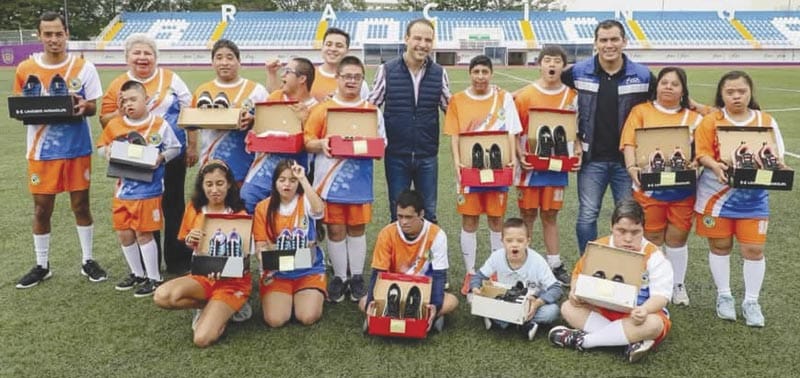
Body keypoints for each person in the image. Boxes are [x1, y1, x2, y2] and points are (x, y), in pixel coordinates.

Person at [14, 11, 108, 288]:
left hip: (77, 148)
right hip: (41, 151)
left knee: (81, 205)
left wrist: (83, 107)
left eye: (58, 33)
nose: (54, 39)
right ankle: (42, 265)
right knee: (42, 209)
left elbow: (92, 106)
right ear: (39, 35)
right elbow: (21, 106)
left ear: (66, 34)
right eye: (48, 34)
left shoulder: (84, 67)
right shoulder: (24, 68)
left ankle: (87, 260)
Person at [694, 71, 788, 327]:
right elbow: (701, 153)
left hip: (753, 198)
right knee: (720, 247)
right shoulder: (711, 121)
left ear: (750, 93)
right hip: (716, 197)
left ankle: (751, 301)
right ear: (721, 95)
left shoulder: (765, 120)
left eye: (741, 91)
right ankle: (724, 296)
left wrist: (777, 166)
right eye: (730, 92)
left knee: (754, 250)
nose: (736, 96)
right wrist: (715, 165)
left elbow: (777, 155)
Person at [100, 33, 195, 275]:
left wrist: (192, 145)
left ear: (155, 57)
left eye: (148, 53)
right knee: (141, 206)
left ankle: (178, 259)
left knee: (173, 205)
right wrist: (123, 112)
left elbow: (190, 112)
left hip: (170, 154)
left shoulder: (171, 78)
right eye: (137, 53)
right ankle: (148, 264)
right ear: (127, 57)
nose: (143, 58)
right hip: (134, 158)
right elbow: (104, 119)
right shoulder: (118, 84)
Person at [561, 19, 655, 255]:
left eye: (614, 39)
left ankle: (627, 264)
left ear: (624, 41)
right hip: (592, 159)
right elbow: (547, 86)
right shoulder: (578, 71)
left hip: (628, 161)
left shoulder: (643, 76)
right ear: (595, 43)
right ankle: (588, 262)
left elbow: (667, 101)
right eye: (603, 40)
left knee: (629, 218)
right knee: (587, 214)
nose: (609, 45)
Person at [549, 199, 673, 363]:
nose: (628, 238)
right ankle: (629, 342)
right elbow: (578, 275)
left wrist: (644, 309)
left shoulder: (655, 256)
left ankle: (585, 341)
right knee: (567, 307)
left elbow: (661, 297)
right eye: (621, 231)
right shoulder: (600, 246)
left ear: (643, 229)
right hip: (603, 309)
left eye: (635, 232)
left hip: (637, 316)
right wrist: (574, 292)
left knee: (654, 325)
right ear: (611, 227)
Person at [304, 56, 386, 303]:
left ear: (362, 80)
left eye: (356, 77)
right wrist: (322, 144)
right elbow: (307, 142)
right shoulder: (322, 109)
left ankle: (357, 276)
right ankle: (340, 276)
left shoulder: (372, 111)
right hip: (329, 183)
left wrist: (365, 146)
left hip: (359, 182)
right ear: (337, 78)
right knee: (336, 229)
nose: (351, 81)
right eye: (347, 76)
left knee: (357, 228)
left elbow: (382, 144)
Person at [620, 67, 704, 306]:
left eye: (675, 84)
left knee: (677, 237)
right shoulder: (641, 111)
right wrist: (631, 167)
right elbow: (629, 142)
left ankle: (677, 283)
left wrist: (694, 162)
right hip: (649, 188)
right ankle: (652, 282)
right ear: (656, 86)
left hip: (683, 189)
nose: (668, 87)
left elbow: (703, 149)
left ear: (683, 90)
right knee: (652, 235)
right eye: (664, 82)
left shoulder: (695, 118)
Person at [153, 160, 253, 347]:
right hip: (202, 275)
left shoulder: (239, 212)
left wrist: (224, 269)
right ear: (202, 186)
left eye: (220, 183)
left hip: (231, 283)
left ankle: (229, 308)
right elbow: (190, 243)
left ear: (229, 184)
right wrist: (191, 241)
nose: (214, 189)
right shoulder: (195, 208)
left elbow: (246, 257)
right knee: (162, 296)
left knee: (201, 339)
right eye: (209, 184)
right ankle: (206, 305)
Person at [443, 55, 520, 295]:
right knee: (469, 221)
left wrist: (512, 158)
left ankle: (495, 270)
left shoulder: (503, 97)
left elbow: (511, 132)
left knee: (496, 221)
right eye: (475, 71)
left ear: (491, 73)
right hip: (470, 169)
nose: (480, 77)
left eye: (484, 72)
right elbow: (455, 135)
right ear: (470, 73)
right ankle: (471, 272)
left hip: (497, 169)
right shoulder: (457, 100)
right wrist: (457, 163)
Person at [97, 80, 181, 297]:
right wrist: (107, 152)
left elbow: (174, 148)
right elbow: (101, 147)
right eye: (123, 101)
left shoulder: (159, 124)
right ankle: (137, 273)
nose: (128, 104)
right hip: (123, 190)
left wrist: (161, 157)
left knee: (144, 233)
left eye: (133, 99)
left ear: (147, 100)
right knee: (125, 234)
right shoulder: (115, 125)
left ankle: (154, 278)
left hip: (148, 190)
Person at [368, 18, 451, 223]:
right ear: (406, 39)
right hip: (396, 155)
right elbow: (370, 108)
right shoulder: (387, 70)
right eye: (418, 38)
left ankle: (428, 254)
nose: (423, 44)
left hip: (427, 155)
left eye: (428, 40)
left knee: (429, 212)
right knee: (398, 212)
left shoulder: (440, 73)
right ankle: (400, 254)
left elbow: (451, 109)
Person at [513, 45, 579, 286]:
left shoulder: (572, 97)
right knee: (527, 214)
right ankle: (525, 263)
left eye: (557, 61)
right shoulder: (524, 96)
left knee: (550, 215)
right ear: (539, 64)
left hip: (556, 167)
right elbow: (514, 130)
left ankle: (554, 264)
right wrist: (519, 153)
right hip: (530, 168)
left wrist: (578, 150)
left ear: (563, 65)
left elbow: (576, 131)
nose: (552, 65)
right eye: (547, 60)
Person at [360, 190, 458, 331]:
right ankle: (422, 318)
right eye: (400, 216)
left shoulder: (437, 234)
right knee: (364, 302)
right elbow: (378, 273)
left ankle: (423, 314)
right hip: (393, 291)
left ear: (421, 214)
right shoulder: (387, 233)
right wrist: (371, 302)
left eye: (409, 217)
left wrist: (435, 305)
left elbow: (439, 275)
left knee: (451, 301)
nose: (403, 222)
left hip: (422, 291)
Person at [253, 160, 326, 327]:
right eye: (282, 180)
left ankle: (305, 297)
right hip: (278, 272)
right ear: (275, 182)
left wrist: (303, 178)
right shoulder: (263, 208)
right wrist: (264, 255)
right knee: (275, 320)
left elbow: (319, 210)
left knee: (307, 317)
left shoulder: (305, 201)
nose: (287, 184)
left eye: (292, 180)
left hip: (308, 269)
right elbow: (260, 245)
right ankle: (286, 299)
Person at [241, 57, 318, 213]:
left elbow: (315, 146)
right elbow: (258, 130)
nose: (282, 76)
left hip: (294, 177)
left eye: (287, 72)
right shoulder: (274, 98)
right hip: (262, 172)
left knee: (287, 220)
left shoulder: (317, 109)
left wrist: (305, 122)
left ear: (302, 78)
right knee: (247, 203)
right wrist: (253, 121)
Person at [469, 218, 562, 340]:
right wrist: (476, 288)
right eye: (509, 240)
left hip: (530, 304)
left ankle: (501, 321)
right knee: (472, 299)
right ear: (502, 241)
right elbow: (478, 277)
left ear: (527, 242)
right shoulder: (497, 256)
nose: (514, 244)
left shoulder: (537, 261)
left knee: (552, 311)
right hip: (505, 300)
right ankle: (523, 324)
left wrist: (538, 302)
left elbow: (556, 288)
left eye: (520, 240)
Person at [195, 39, 268, 184]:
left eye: (230, 57)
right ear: (212, 62)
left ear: (239, 61)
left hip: (246, 159)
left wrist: (253, 119)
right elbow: (190, 121)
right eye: (219, 58)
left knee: (241, 202)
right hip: (210, 158)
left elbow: (270, 120)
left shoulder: (256, 90)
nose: (224, 62)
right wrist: (191, 148)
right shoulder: (202, 90)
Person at [265, 28, 369, 101]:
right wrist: (271, 73)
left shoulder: (357, 83)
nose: (333, 49)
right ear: (322, 47)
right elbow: (278, 97)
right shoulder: (306, 75)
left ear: (347, 50)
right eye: (328, 44)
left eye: (339, 45)